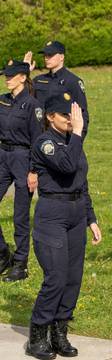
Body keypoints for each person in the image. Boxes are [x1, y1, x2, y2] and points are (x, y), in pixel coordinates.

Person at [27, 95, 101, 359]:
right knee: (56, 278)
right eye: (65, 115)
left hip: (76, 214)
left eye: (73, 115)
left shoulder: (74, 141)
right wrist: (79, 134)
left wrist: (91, 218)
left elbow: (81, 180)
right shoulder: (45, 143)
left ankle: (60, 333)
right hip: (53, 215)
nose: (71, 120)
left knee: (72, 279)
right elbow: (68, 166)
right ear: (50, 117)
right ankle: (37, 336)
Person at [0, 59, 43, 282]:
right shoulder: (3, 101)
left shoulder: (33, 106)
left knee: (20, 216)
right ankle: (2, 253)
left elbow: (37, 140)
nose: (6, 78)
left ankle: (20, 263)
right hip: (2, 156)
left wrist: (33, 170)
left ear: (23, 78)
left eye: (11, 75)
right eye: (5, 75)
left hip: (22, 158)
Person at [25, 41, 90, 139]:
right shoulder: (38, 80)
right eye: (45, 55)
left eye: (50, 55)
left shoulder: (73, 81)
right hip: (38, 135)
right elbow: (23, 100)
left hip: (61, 137)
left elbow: (82, 114)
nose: (46, 58)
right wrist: (24, 73)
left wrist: (76, 142)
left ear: (61, 57)